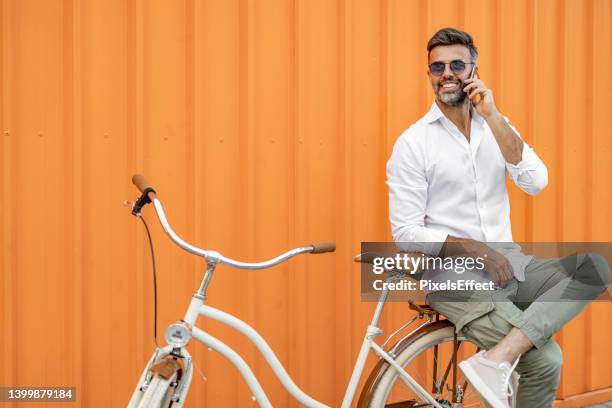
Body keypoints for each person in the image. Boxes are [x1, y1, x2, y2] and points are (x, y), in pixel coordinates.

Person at [386, 27, 611, 408]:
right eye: (437, 67)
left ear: (474, 69)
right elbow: (405, 232)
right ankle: (501, 358)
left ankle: (496, 358)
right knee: (545, 360)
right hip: (454, 274)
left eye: (457, 64)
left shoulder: (496, 127)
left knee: (595, 267)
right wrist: (474, 248)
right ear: (428, 75)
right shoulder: (413, 144)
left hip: (510, 262)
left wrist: (492, 115)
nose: (447, 73)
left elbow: (536, 182)